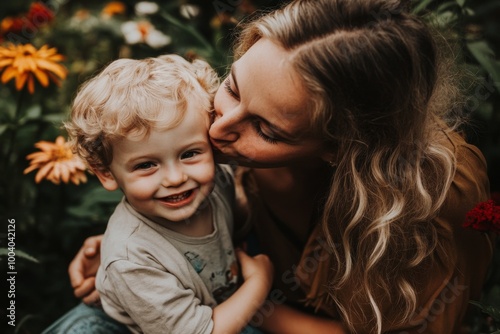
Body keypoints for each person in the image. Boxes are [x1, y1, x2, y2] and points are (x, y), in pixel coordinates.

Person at [45, 0, 495, 333]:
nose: (218, 132)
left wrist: (255, 297)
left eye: (268, 131)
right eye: (234, 89)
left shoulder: (436, 198)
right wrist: (145, 250)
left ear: (340, 148)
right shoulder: (218, 141)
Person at [57, 54, 273, 334]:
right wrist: (259, 282)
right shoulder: (131, 259)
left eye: (189, 154)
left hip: (209, 310)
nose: (175, 178)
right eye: (146, 165)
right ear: (106, 173)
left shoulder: (219, 180)